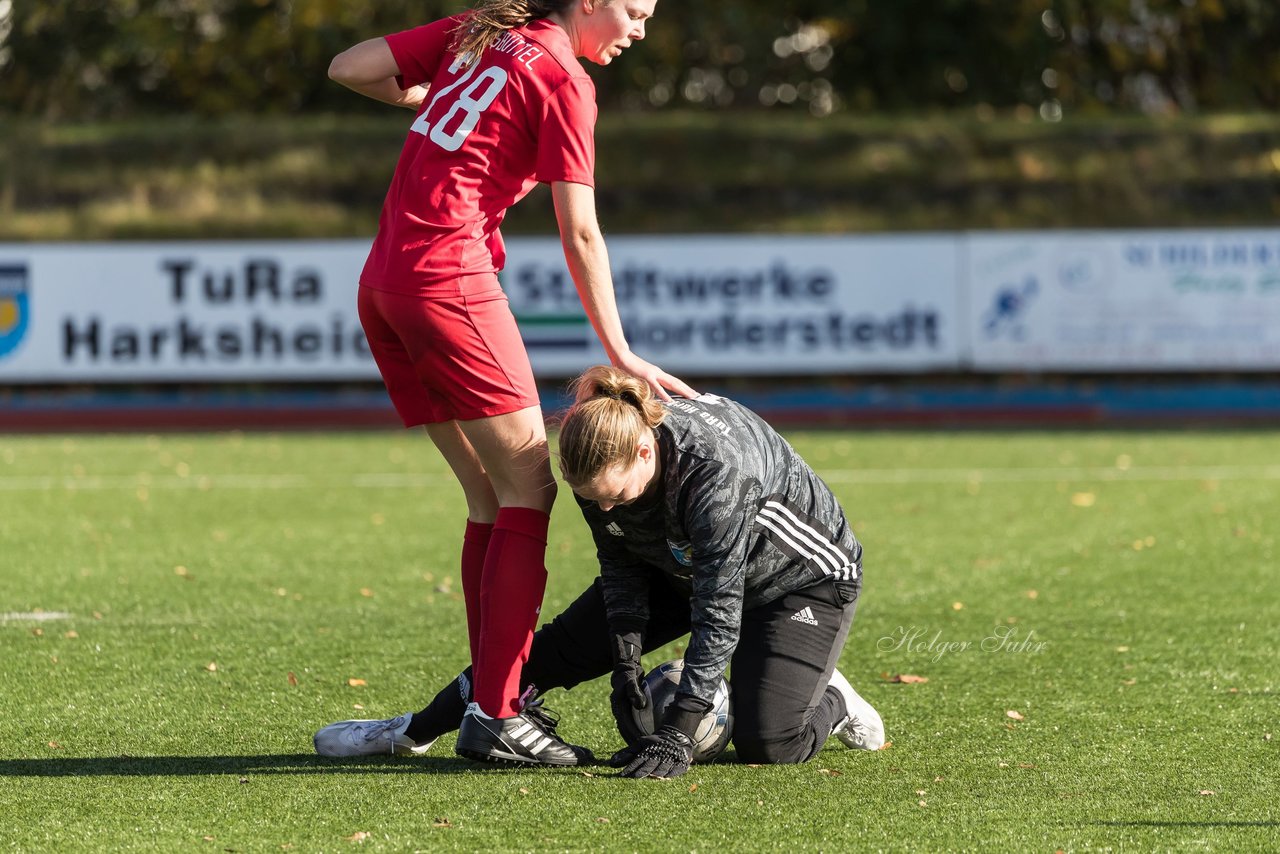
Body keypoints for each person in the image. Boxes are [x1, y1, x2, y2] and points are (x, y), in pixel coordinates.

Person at [326, 0, 693, 767]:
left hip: (383, 283)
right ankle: (497, 711)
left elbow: (350, 68)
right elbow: (580, 229)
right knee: (532, 489)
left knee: (490, 498)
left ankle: (492, 701)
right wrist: (619, 349)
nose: (639, 30)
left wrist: (447, 99)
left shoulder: (481, 32)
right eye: (632, 10)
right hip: (448, 282)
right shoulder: (562, 77)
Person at [315, 366, 885, 778]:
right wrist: (627, 668)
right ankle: (413, 729)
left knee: (772, 742)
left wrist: (678, 733)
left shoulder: (715, 476)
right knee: (550, 653)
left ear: (645, 452)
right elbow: (620, 567)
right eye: (595, 501)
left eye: (615, 497)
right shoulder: (596, 471)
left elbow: (719, 608)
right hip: (676, 564)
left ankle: (831, 699)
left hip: (798, 582)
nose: (605, 508)